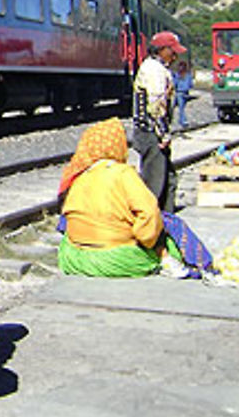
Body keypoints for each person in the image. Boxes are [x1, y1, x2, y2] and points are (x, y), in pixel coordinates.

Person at [57, 117, 212, 278]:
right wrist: (149, 242)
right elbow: (149, 213)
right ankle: (186, 263)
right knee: (167, 224)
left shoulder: (79, 176)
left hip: (74, 259)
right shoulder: (123, 173)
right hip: (115, 260)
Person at [132, 30, 186, 211]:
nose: (175, 55)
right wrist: (163, 134)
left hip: (152, 132)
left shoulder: (158, 68)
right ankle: (150, 221)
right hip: (150, 133)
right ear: (162, 50)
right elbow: (155, 106)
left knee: (167, 178)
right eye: (172, 51)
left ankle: (166, 217)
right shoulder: (153, 70)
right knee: (154, 182)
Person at [172, 61, 193, 128]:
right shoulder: (188, 75)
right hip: (185, 93)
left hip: (179, 92)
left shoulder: (177, 75)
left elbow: (174, 84)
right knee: (181, 107)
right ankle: (181, 120)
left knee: (179, 107)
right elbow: (191, 85)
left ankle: (182, 120)